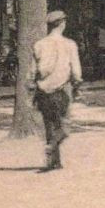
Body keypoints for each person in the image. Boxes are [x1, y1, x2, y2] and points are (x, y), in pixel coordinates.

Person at [32, 9, 82, 172]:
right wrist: (77, 84)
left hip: (43, 91)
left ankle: (54, 161)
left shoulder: (39, 45)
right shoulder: (69, 45)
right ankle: (52, 147)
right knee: (64, 126)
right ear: (62, 24)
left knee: (49, 125)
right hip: (62, 90)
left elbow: (32, 71)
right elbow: (76, 72)